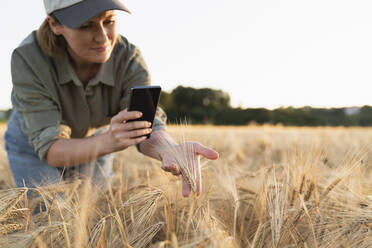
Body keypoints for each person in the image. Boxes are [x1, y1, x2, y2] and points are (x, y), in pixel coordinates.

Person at [5, 0, 218, 197]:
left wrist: (168, 149)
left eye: (109, 21)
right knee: (47, 215)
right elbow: (51, 149)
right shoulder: (28, 59)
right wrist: (108, 141)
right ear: (54, 24)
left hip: (98, 137)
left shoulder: (129, 59)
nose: (102, 36)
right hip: (32, 143)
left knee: (93, 213)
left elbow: (144, 123)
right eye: (85, 25)